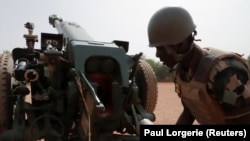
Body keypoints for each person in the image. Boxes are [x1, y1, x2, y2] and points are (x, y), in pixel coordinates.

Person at [147, 6, 250, 124]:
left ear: (180, 44)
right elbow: (189, 111)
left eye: (160, 48)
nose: (157, 55)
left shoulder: (224, 74)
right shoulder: (180, 73)